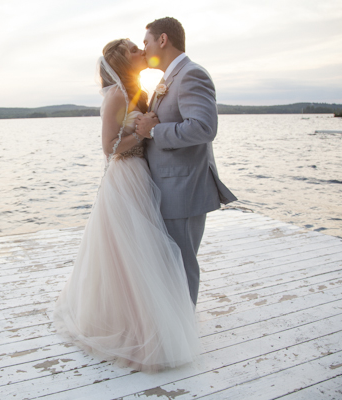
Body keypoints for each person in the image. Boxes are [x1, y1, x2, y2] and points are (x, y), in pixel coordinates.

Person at [52, 37, 201, 372]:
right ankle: (133, 329)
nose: (140, 52)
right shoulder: (117, 95)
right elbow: (109, 148)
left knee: (144, 253)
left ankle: (150, 321)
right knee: (131, 255)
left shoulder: (136, 91)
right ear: (121, 59)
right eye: (134, 49)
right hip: (125, 179)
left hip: (142, 176)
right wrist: (146, 134)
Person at [135, 17, 237, 305]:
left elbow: (204, 127)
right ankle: (175, 324)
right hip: (167, 188)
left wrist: (154, 131)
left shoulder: (192, 74)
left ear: (163, 40)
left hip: (183, 188)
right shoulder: (169, 79)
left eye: (147, 42)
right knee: (169, 263)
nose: (144, 49)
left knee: (182, 263)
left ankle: (184, 331)